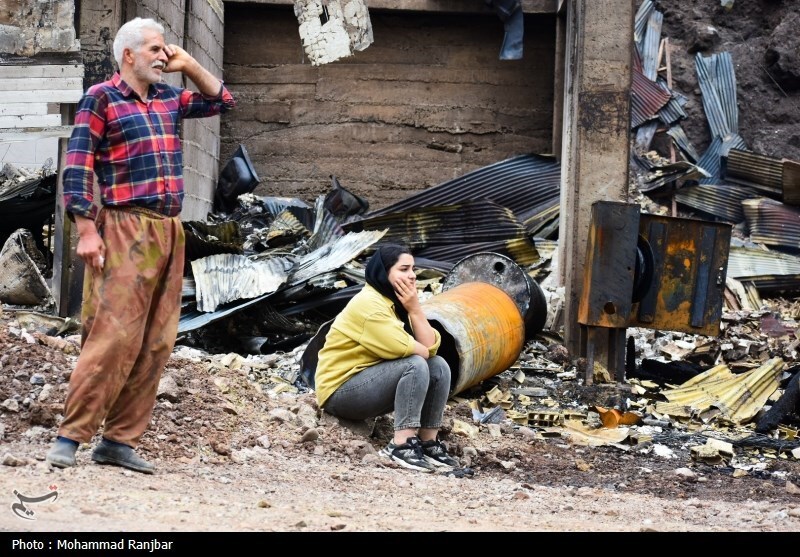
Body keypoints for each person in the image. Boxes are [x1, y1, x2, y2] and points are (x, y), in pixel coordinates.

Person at [46, 17, 236, 474]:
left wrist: (189, 63)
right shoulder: (101, 98)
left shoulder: (170, 97)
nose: (162, 55)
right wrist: (87, 230)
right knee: (113, 336)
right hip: (123, 226)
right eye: (154, 48)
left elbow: (223, 101)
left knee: (156, 342)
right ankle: (71, 435)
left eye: (165, 48)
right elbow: (76, 168)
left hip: (169, 230)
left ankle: (118, 441)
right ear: (128, 55)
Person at [314, 244, 460, 472]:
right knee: (415, 365)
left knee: (439, 366)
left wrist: (415, 310)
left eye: (413, 269)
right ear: (384, 272)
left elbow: (432, 350)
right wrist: (414, 317)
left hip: (367, 384)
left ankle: (427, 441)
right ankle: (401, 445)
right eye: (403, 269)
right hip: (339, 392)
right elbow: (419, 351)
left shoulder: (393, 303)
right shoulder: (370, 305)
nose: (412, 275)